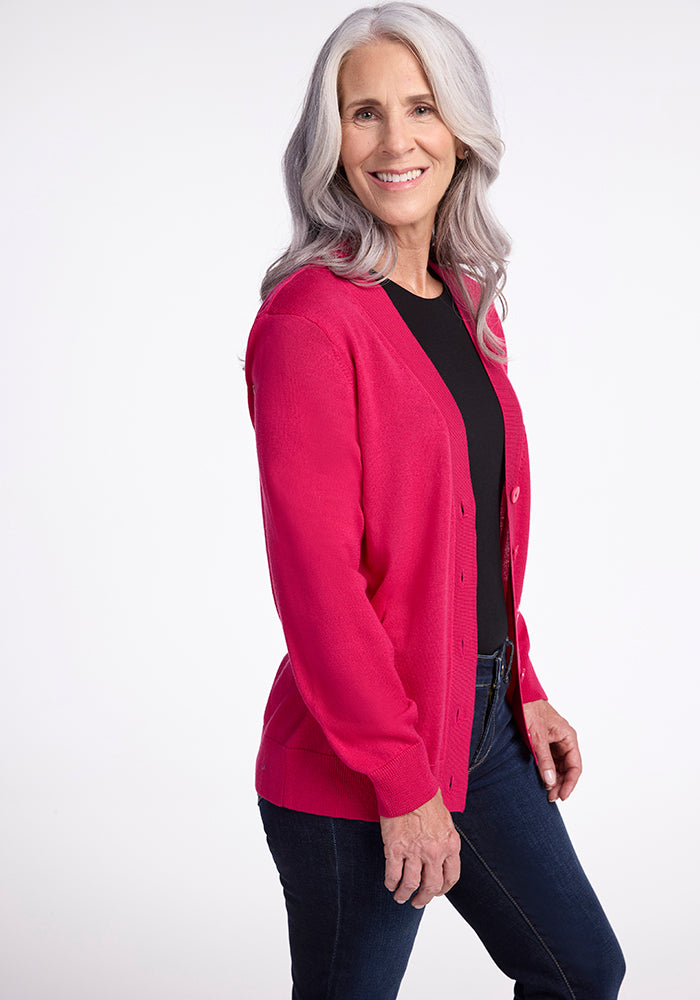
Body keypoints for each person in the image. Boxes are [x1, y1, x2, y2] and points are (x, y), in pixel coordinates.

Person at [244, 4, 626, 997]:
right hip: (357, 755)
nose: (395, 138)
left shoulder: (462, 301)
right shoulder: (310, 319)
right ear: (331, 143)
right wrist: (402, 779)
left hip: (485, 720)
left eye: (420, 106)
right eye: (362, 113)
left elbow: (470, 539)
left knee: (579, 970)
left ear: (458, 128)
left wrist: (523, 682)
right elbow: (318, 582)